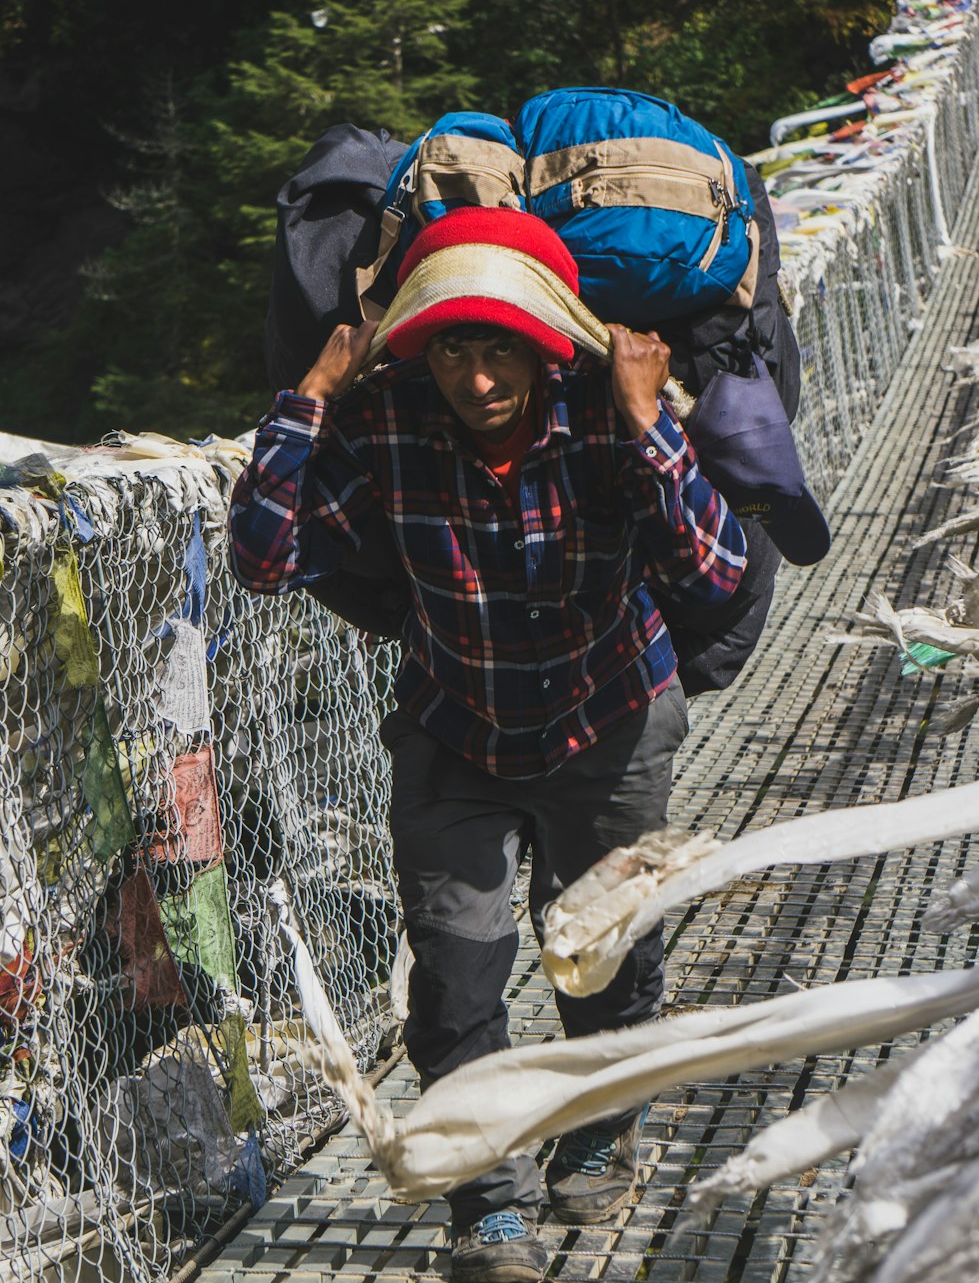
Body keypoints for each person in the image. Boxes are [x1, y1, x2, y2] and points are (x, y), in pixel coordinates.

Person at [228, 207, 747, 1283]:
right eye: (455, 348)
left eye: (499, 345)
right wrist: (311, 400)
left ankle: (597, 1131)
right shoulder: (386, 423)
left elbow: (716, 573)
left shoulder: (606, 415)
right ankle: (486, 1201)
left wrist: (651, 420)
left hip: (606, 717)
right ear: (426, 354)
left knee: (604, 949)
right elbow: (264, 558)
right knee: (457, 976)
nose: (476, 377)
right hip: (454, 725)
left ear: (542, 344)